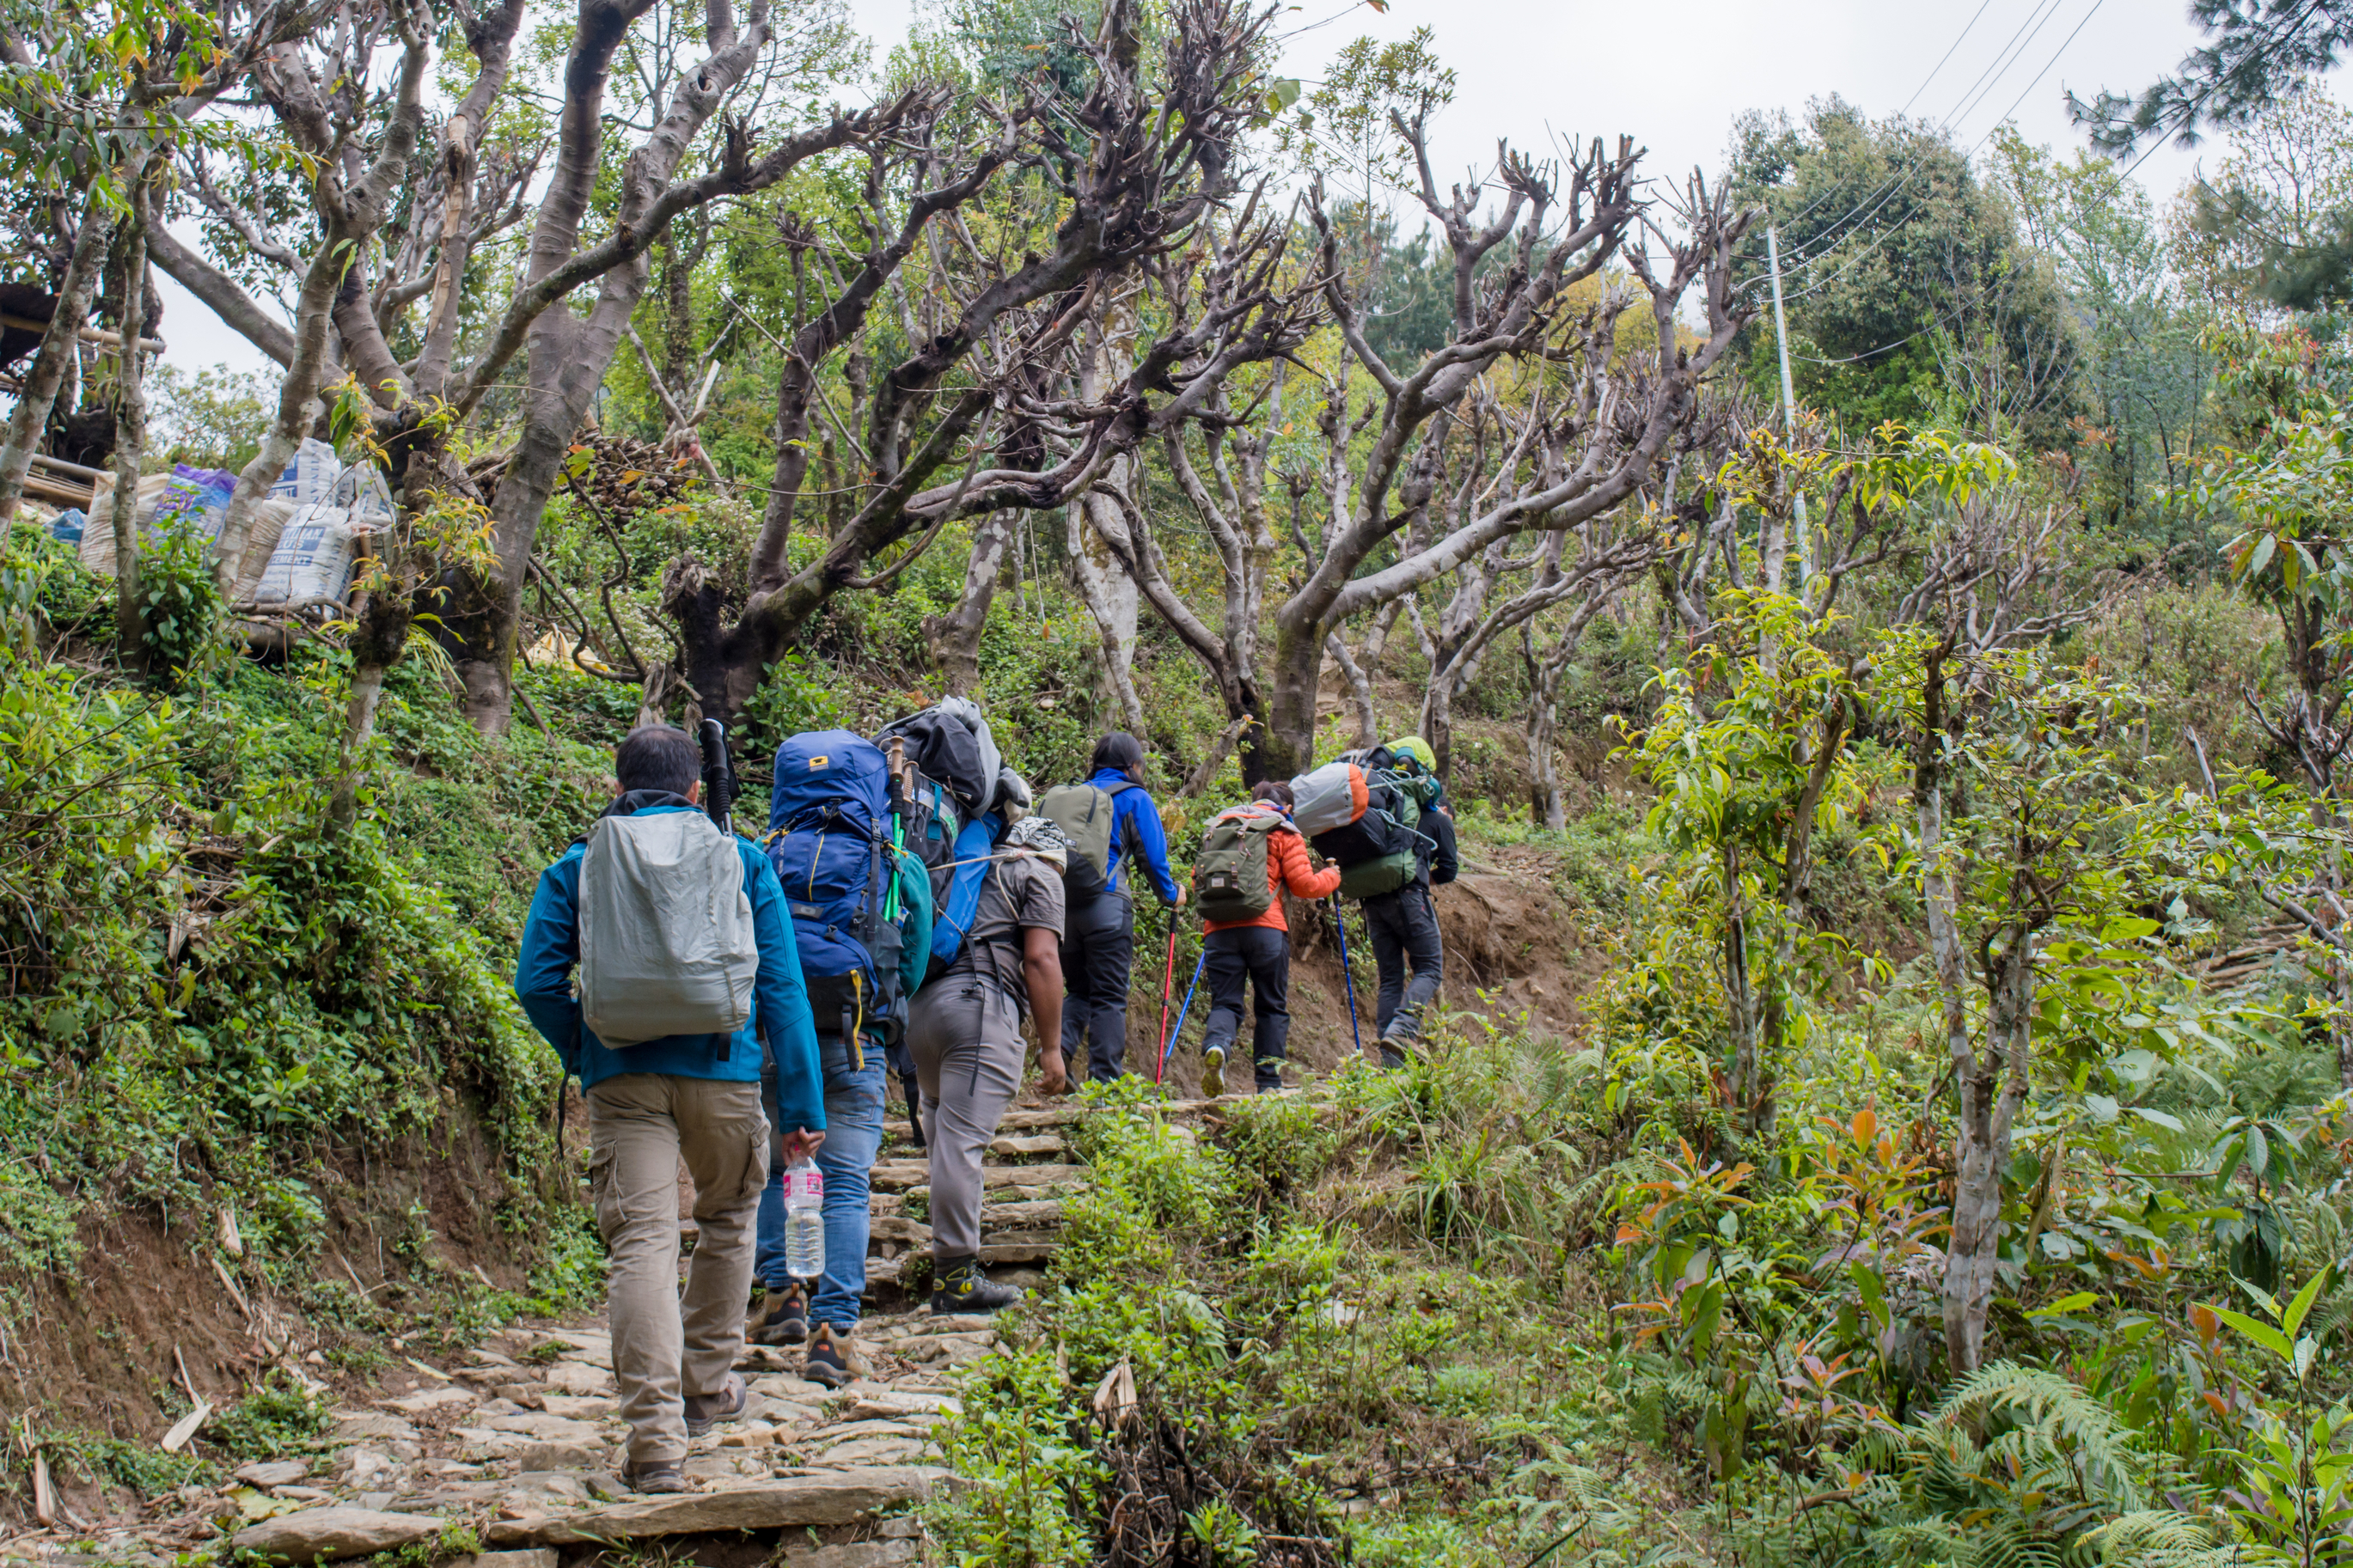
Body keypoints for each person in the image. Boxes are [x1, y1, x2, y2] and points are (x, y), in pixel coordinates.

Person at [514, 724, 825, 1493]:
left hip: (622, 1079)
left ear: (617, 785)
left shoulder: (579, 864)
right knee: (727, 1219)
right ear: (695, 791)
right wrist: (804, 1104)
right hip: (723, 1074)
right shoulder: (743, 859)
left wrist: (588, 1052)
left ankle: (654, 1442)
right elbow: (782, 990)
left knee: (642, 1244)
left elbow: (536, 982)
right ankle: (704, 1389)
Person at [747, 815, 932, 1389]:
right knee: (847, 1181)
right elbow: (918, 953)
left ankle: (783, 1298)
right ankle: (834, 1335)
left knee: (784, 1167)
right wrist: (885, 1008)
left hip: (780, 1036)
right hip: (858, 1040)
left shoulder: (766, 851)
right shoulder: (895, 856)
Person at [906, 813, 1069, 1313]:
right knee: (960, 1146)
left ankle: (950, 1265)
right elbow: (1040, 959)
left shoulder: (965, 867)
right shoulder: (1037, 873)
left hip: (922, 1013)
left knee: (943, 1137)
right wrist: (1051, 1047)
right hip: (978, 1006)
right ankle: (955, 1279)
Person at [1195, 781, 1341, 1097]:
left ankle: (1218, 1045)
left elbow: (1199, 879)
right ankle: (1269, 1083)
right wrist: (1333, 876)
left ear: (1255, 799)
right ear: (1287, 808)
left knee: (1225, 1002)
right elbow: (1304, 885)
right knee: (1271, 1007)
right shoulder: (1284, 831)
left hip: (1219, 930)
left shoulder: (1220, 826)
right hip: (1266, 930)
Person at [1057, 732, 1183, 1083]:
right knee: (1109, 997)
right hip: (1108, 908)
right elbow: (1154, 859)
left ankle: (1058, 1054)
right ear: (1133, 765)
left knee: (1080, 990)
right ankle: (1105, 1087)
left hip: (1062, 910)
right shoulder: (1134, 797)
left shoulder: (1076, 796)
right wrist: (1172, 896)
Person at [1360, 735, 1458, 1069]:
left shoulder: (1388, 808)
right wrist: (1419, 875)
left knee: (1390, 978)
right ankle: (1403, 1030)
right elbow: (1448, 870)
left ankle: (1390, 1060)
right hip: (1409, 897)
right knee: (1430, 968)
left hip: (1372, 900)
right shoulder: (1439, 820)